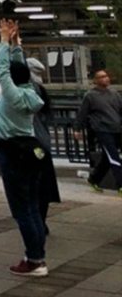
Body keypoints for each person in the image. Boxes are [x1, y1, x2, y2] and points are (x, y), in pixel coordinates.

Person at [0, 18, 48, 277]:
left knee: (21, 210)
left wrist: (3, 42)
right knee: (33, 206)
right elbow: (17, 70)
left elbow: (4, 72)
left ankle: (35, 260)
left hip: (11, 150)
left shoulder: (12, 96)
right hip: (31, 149)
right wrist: (16, 44)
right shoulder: (30, 93)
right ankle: (37, 255)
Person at [25, 58, 61, 234]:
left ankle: (36, 221)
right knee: (44, 184)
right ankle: (41, 220)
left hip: (32, 142)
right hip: (43, 142)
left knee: (32, 183)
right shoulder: (42, 90)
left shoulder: (29, 89)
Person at [73, 67, 122, 195]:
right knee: (113, 156)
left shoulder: (115, 94)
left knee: (107, 158)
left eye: (106, 76)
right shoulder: (90, 96)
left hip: (116, 129)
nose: (106, 78)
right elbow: (82, 114)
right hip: (102, 130)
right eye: (101, 77)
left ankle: (94, 179)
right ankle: (120, 184)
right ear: (95, 81)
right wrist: (77, 129)